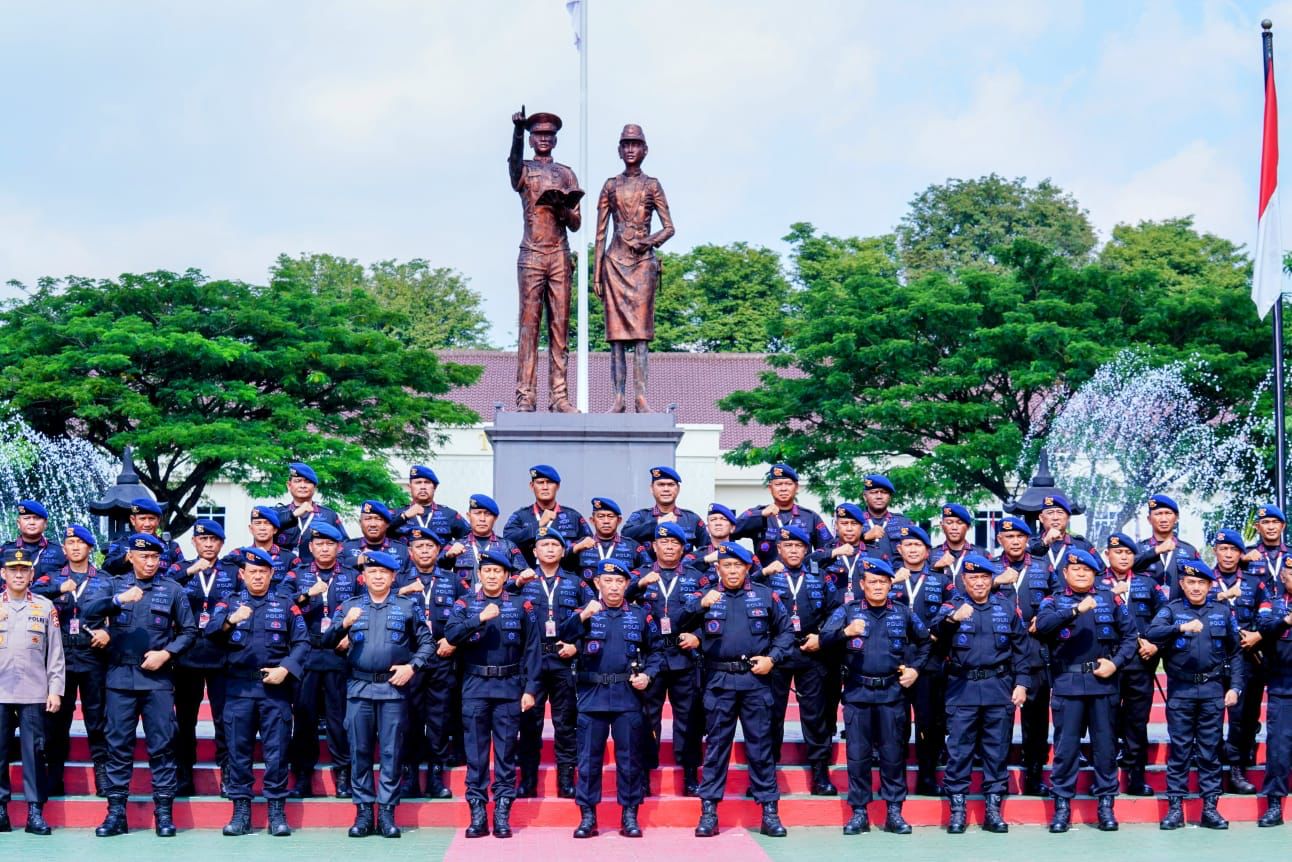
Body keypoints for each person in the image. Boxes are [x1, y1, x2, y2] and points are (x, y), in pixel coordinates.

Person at [85, 533, 197, 838]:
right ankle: (115, 814)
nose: (150, 562)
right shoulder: (114, 585)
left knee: (162, 745)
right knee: (118, 746)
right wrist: (117, 602)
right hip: (120, 677)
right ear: (130, 556)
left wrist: (166, 653)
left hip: (157, 680)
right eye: (144, 556)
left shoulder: (172, 589)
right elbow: (88, 613)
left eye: (155, 557)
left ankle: (164, 813)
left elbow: (189, 631)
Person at [681, 542, 795, 838]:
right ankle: (709, 812)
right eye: (726, 566)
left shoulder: (765, 595)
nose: (732, 571)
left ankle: (769, 812)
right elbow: (675, 623)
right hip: (719, 681)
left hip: (755, 680)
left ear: (747, 568)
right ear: (718, 568)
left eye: (737, 566)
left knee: (761, 747)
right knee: (717, 748)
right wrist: (699, 606)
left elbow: (786, 632)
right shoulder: (706, 596)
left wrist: (772, 659)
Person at [321, 550, 435, 839]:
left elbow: (427, 643)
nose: (378, 577)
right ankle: (363, 812)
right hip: (359, 689)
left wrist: (412, 666)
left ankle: (386, 812)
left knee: (391, 752)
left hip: (393, 690)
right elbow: (326, 641)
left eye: (384, 572)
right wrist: (344, 624)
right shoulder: (350, 606)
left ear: (393, 576)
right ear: (364, 576)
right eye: (372, 572)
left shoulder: (407, 606)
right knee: (359, 750)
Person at [820, 556, 930, 835]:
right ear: (862, 584)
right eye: (872, 582)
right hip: (858, 694)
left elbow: (925, 643)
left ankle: (894, 811)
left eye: (883, 582)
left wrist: (915, 669)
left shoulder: (903, 613)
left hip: (892, 694)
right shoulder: (848, 611)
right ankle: (859, 812)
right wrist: (846, 632)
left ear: (891, 584)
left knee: (893, 755)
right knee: (858, 756)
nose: (878, 586)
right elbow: (823, 640)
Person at [207, 547, 309, 837]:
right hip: (238, 688)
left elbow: (302, 643)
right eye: (252, 572)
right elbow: (209, 633)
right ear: (242, 574)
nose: (258, 577)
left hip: (274, 688)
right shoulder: (229, 603)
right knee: (238, 751)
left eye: (263, 572)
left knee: (277, 751)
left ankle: (277, 811)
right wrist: (231, 620)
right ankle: (241, 812)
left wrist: (286, 669)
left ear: (271, 574)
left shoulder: (286, 605)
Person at [1034, 548, 1137, 832]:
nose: (1081, 573)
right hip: (1067, 684)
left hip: (1103, 683)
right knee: (1066, 749)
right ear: (1065, 573)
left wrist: (1115, 663)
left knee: (1105, 748)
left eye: (1087, 570)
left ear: (1094, 574)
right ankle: (1062, 807)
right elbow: (1043, 627)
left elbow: (1130, 636)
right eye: (1075, 569)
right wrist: (1075, 610)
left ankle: (1106, 805)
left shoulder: (1110, 598)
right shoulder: (1053, 601)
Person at [444, 548, 544, 839]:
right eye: (486, 570)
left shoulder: (521, 605)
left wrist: (531, 689)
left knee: (505, 753)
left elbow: (532, 650)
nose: (491, 576)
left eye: (497, 571)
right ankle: (477, 815)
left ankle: (502, 814)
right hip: (475, 686)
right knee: (476, 755)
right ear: (479, 574)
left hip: (509, 686)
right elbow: (451, 635)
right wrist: (479, 619)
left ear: (506, 575)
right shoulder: (465, 604)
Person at [561, 559, 663, 838]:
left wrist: (648, 676)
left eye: (619, 581)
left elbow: (656, 652)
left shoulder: (641, 616)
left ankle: (629, 815)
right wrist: (583, 615)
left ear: (627, 584)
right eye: (608, 581)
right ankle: (587, 816)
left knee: (629, 759)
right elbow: (562, 635)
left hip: (627, 696)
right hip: (591, 696)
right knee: (588, 760)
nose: (614, 587)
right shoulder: (585, 612)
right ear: (597, 583)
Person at [1145, 558, 1245, 830]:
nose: (1196, 588)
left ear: (1210, 586)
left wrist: (1235, 687)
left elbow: (1236, 652)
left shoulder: (1222, 611)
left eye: (1201, 583)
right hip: (1182, 691)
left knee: (1210, 751)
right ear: (1182, 584)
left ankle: (1210, 808)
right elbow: (1152, 632)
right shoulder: (1172, 610)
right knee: (1179, 751)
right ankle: (1175, 808)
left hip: (1213, 690)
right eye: (1191, 582)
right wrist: (1180, 628)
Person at [934, 554, 1030, 835]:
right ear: (963, 580)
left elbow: (1022, 648)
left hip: (998, 687)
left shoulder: (1006, 607)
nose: (978, 583)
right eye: (973, 578)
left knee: (996, 751)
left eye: (984, 577)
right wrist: (952, 620)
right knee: (959, 751)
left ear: (991, 580)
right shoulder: (951, 607)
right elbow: (935, 637)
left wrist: (1022, 683)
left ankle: (993, 810)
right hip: (961, 688)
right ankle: (958, 811)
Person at [592, 123, 675, 412]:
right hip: (614, 264)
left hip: (642, 265)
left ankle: (641, 397)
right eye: (626, 144)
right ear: (619, 150)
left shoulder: (652, 185)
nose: (630, 149)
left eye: (635, 144)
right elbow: (600, 232)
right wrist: (596, 275)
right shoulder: (610, 185)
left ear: (645, 150)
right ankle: (618, 398)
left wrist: (648, 242)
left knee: (641, 335)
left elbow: (669, 227)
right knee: (616, 337)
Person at [509, 107, 582, 413]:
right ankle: (525, 396)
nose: (543, 139)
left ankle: (559, 397)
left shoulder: (566, 174)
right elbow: (513, 169)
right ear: (530, 139)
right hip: (532, 254)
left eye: (549, 135)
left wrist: (562, 208)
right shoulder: (524, 169)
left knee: (559, 328)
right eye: (538, 134)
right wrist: (516, 132)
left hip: (559, 254)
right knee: (529, 328)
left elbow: (575, 223)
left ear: (555, 140)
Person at [627, 521, 706, 795]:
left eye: (674, 543)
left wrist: (699, 637)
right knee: (648, 717)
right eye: (664, 542)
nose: (669, 547)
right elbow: (616, 597)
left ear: (683, 548)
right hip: (651, 656)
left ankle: (690, 774)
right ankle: (645, 774)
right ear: (654, 546)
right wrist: (639, 585)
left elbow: (712, 613)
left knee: (689, 718)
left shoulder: (697, 578)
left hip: (684, 655)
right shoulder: (640, 574)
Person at [762, 524, 840, 795]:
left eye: (798, 546)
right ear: (779, 548)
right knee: (771, 715)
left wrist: (822, 636)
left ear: (806, 550)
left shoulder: (821, 577)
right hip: (777, 653)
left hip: (811, 651)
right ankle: (766, 775)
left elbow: (835, 612)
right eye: (788, 546)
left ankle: (820, 775)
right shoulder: (768, 576)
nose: (793, 551)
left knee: (815, 716)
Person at [34, 524, 111, 798]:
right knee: (56, 721)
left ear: (89, 548)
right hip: (60, 657)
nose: (75, 547)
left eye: (80, 543)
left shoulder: (105, 580)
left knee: (97, 718)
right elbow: (30, 593)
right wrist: (58, 588)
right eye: (70, 543)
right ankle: (55, 777)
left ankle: (103, 775)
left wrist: (108, 632)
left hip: (93, 656)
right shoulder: (52, 578)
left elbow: (121, 614)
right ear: (64, 549)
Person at [514, 527, 591, 798]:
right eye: (543, 545)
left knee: (565, 722)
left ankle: (566, 782)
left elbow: (595, 619)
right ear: (534, 552)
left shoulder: (576, 583)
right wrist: (516, 583)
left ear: (562, 551)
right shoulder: (522, 581)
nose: (549, 549)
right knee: (529, 723)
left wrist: (576, 647)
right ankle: (528, 781)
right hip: (531, 660)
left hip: (562, 659)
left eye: (554, 545)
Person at [395, 526, 470, 799]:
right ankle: (411, 776)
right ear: (410, 552)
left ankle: (436, 776)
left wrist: (454, 641)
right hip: (410, 658)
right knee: (409, 718)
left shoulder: (453, 580)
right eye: (419, 547)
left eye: (430, 546)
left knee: (439, 717)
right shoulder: (398, 580)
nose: (425, 551)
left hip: (442, 656)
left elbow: (469, 612)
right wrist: (402, 591)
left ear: (438, 550)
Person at [288, 522, 359, 798]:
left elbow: (367, 607)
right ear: (310, 547)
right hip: (307, 651)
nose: (324, 548)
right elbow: (283, 602)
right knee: (304, 716)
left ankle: (343, 774)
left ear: (339, 547)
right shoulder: (298, 574)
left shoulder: (353, 576)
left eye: (330, 544)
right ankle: (302, 775)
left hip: (338, 653)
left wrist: (352, 636)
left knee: (338, 717)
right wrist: (308, 594)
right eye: (319, 544)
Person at [171, 518, 239, 796]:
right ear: (194, 542)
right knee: (185, 718)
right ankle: (184, 771)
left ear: (222, 544)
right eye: (203, 539)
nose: (208, 544)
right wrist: (190, 571)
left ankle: (227, 772)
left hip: (221, 652)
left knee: (225, 717)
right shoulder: (180, 569)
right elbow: (163, 586)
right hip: (188, 654)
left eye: (214, 540)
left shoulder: (232, 572)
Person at [885, 524, 955, 795]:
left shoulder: (941, 581)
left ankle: (927, 778)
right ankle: (896, 781)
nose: (912, 550)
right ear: (899, 549)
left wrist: (935, 631)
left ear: (928, 552)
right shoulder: (886, 578)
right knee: (895, 724)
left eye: (918, 546)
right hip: (894, 660)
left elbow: (954, 610)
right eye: (908, 545)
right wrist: (892, 582)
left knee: (930, 723)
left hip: (929, 661)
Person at [0, 547, 64, 835]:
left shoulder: (44, 606)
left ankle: (35, 812)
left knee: (35, 753)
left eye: (23, 570)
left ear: (31, 574)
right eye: (13, 570)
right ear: (3, 574)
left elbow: (55, 653)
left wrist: (55, 690)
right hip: (0, 691)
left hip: (34, 691)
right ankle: (0, 810)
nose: (18, 575)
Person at [992, 515, 1058, 796]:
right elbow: (969, 594)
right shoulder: (989, 568)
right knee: (999, 720)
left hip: (1034, 651)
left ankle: (1034, 776)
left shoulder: (1043, 566)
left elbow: (1060, 596)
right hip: (1000, 653)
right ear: (1000, 539)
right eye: (1009, 537)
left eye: (1020, 536)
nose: (1015, 541)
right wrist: (995, 582)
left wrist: (1044, 615)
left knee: (1036, 721)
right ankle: (997, 781)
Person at [1102, 531, 1166, 797]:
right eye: (1118, 552)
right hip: (1107, 663)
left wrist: (1156, 645)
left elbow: (1166, 616)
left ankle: (1136, 778)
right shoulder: (1096, 583)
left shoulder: (1147, 584)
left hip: (1140, 663)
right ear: (1107, 555)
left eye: (1128, 553)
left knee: (1137, 722)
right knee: (1104, 722)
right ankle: (1105, 780)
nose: (1123, 557)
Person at [1214, 528, 1267, 794]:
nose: (1228, 554)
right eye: (1223, 549)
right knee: (1210, 715)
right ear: (1215, 551)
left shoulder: (1254, 583)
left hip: (1245, 658)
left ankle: (1237, 768)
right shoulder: (1203, 579)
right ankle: (1211, 769)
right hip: (1211, 657)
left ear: (1240, 554)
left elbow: (1266, 612)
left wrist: (1257, 634)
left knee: (1241, 716)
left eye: (1233, 550)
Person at [734, 464, 833, 567]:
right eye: (778, 484)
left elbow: (828, 549)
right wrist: (760, 514)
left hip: (801, 576)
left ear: (796, 487)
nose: (783, 488)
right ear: (770, 488)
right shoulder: (760, 514)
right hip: (767, 576)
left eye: (788, 484)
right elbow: (731, 531)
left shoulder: (810, 517)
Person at [1255, 555, 1292, 826]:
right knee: (1278, 749)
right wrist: (1287, 620)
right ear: (1283, 576)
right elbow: (1264, 627)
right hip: (1283, 686)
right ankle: (1274, 804)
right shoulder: (1272, 602)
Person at [502, 465, 592, 568]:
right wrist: (538, 525)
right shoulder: (520, 516)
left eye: (549, 482)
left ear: (558, 486)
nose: (545, 487)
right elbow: (506, 543)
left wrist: (573, 550)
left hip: (565, 576)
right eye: (540, 483)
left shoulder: (573, 517)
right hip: (529, 576)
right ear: (532, 486)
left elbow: (589, 546)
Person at [439, 494, 527, 587]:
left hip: (498, 596)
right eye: (477, 513)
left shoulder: (508, 547)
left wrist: (507, 588)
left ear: (495, 518)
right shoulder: (455, 546)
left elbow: (522, 575)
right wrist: (447, 557)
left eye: (487, 514)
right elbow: (435, 573)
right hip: (464, 596)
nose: (482, 519)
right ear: (469, 516)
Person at [273, 462, 348, 565]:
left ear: (315, 487)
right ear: (289, 485)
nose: (303, 486)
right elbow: (263, 533)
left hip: (316, 572)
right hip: (281, 571)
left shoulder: (329, 515)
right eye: (298, 481)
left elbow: (344, 546)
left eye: (308, 482)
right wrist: (293, 514)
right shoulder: (277, 513)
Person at [1132, 494, 1202, 599]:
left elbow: (1202, 580)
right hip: (1147, 608)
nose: (1164, 519)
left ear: (1177, 517)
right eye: (1158, 514)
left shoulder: (1189, 551)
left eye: (1168, 513)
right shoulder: (1137, 549)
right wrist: (1155, 551)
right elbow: (1123, 569)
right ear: (1149, 519)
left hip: (1179, 607)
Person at [622, 466, 707, 553]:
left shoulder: (692, 519)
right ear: (652, 488)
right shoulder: (641, 516)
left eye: (671, 485)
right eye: (661, 485)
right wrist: (656, 524)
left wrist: (691, 559)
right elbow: (624, 536)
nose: (666, 489)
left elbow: (707, 550)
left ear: (678, 489)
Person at [568, 497, 650, 584]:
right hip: (588, 593)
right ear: (592, 520)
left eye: (610, 517)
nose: (606, 521)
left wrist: (631, 579)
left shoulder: (632, 546)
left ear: (619, 520)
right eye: (601, 517)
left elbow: (648, 567)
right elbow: (562, 565)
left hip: (621, 592)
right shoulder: (581, 545)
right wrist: (575, 549)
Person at [387, 465, 470, 544]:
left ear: (435, 487)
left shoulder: (449, 514)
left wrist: (454, 547)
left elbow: (471, 537)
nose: (423, 487)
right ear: (410, 486)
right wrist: (404, 517)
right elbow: (380, 532)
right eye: (418, 483)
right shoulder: (396, 513)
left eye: (427, 482)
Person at [101, 499, 182, 576]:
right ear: (133, 520)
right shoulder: (120, 544)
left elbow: (182, 570)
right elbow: (106, 569)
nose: (147, 524)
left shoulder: (170, 546)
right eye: (142, 519)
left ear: (158, 521)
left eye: (151, 519)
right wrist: (127, 557)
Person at [2, 500, 66, 581]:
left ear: (45, 523)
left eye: (37, 518)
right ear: (18, 523)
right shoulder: (4, 551)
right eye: (26, 518)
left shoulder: (60, 551)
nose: (32, 522)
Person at [858, 474, 914, 564]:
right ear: (865, 497)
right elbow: (839, 548)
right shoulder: (853, 522)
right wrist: (862, 538)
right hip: (862, 572)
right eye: (874, 492)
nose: (879, 496)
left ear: (889, 497)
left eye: (884, 492)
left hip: (896, 572)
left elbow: (919, 552)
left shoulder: (903, 523)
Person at [341, 501, 410, 573]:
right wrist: (359, 560)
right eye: (368, 519)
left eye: (378, 519)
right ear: (360, 523)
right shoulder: (346, 547)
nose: (373, 524)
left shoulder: (402, 549)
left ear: (387, 524)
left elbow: (410, 577)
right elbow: (336, 568)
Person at [246, 506, 301, 595]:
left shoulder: (290, 559)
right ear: (250, 529)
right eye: (258, 523)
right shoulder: (241, 556)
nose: (262, 528)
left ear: (275, 529)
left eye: (267, 523)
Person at [930, 503, 985, 583]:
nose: (954, 528)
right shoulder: (930, 554)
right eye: (949, 522)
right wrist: (935, 566)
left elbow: (991, 582)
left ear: (968, 527)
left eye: (959, 523)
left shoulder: (982, 554)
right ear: (942, 526)